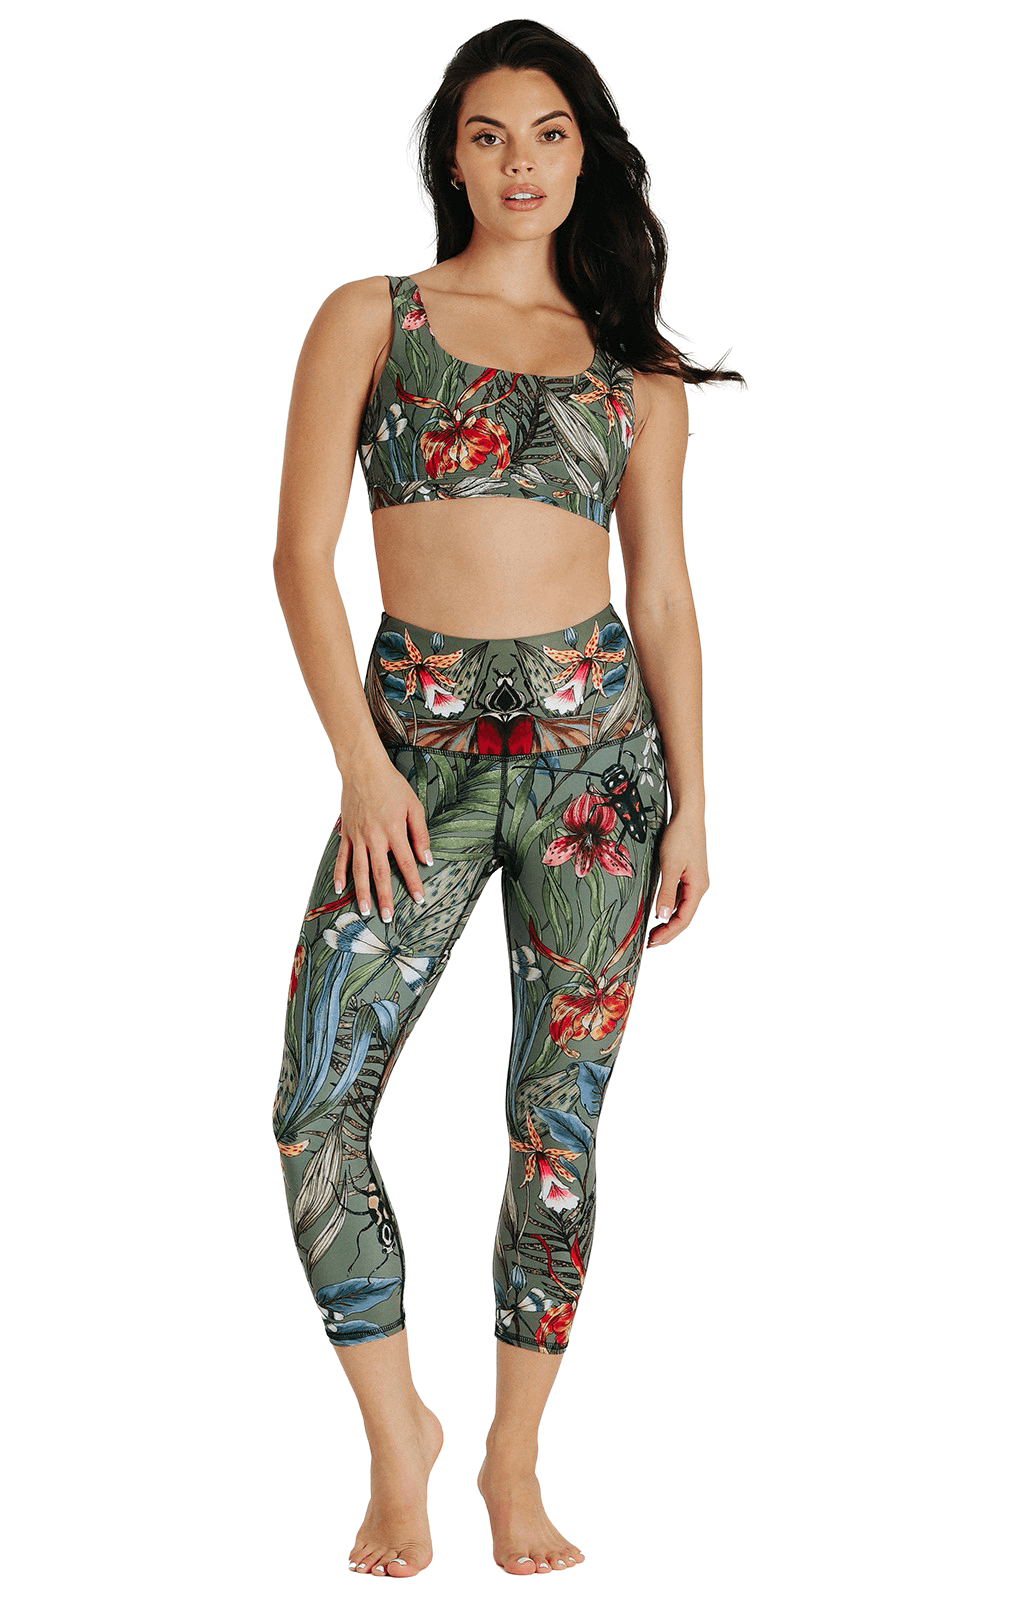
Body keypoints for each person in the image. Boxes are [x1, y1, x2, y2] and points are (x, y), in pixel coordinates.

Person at [271, 18, 743, 1580]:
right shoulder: (373, 318)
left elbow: (661, 597)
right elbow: (298, 561)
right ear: (451, 157)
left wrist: (695, 804)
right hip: (408, 768)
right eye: (488, 134)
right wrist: (359, 768)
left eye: (549, 133)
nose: (520, 162)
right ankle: (394, 1435)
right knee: (314, 1112)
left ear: (585, 154)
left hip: (601, 777)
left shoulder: (636, 374)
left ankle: (513, 1459)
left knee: (555, 1128)